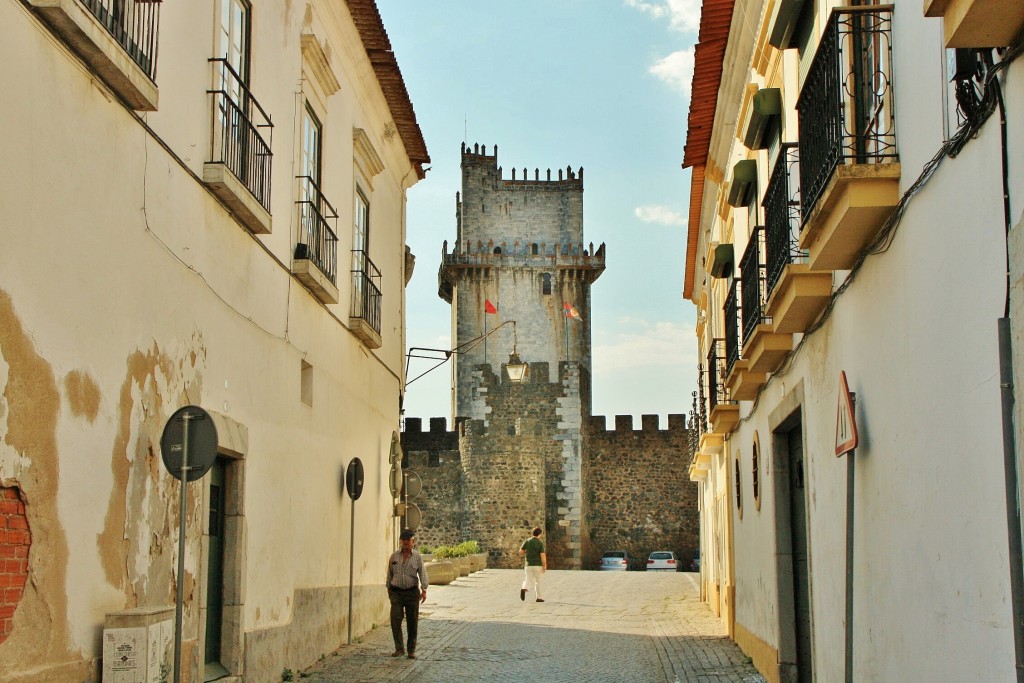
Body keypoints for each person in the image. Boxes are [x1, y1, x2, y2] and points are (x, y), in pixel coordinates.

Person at [386, 528, 428, 659]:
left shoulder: (417, 557)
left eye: (408, 540)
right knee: (395, 620)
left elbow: (422, 573)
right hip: (397, 593)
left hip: (411, 593)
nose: (405, 542)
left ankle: (411, 650)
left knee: (412, 622)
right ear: (400, 541)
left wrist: (424, 589)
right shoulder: (394, 556)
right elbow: (389, 573)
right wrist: (389, 588)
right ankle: (399, 648)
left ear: (412, 542)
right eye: (403, 540)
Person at [519, 526, 547, 602]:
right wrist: (544, 565)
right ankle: (539, 598)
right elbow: (542, 555)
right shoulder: (540, 543)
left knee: (528, 579)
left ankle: (524, 588)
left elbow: (521, 551)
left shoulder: (527, 541)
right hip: (537, 565)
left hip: (528, 565)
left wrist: (527, 552)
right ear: (539, 534)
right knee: (538, 582)